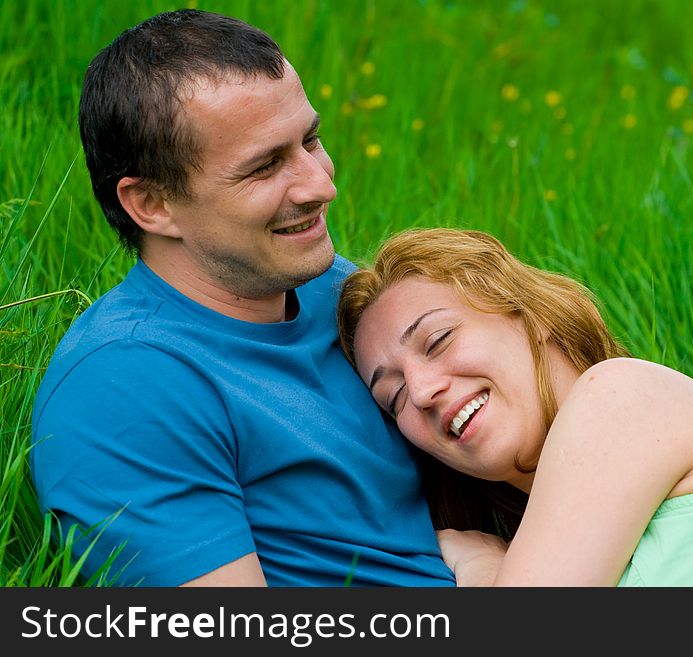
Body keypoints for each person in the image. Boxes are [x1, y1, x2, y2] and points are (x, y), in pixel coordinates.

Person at [29, 9, 455, 587]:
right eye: (264, 167)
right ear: (153, 205)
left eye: (310, 140)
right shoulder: (126, 386)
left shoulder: (346, 296)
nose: (322, 185)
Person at [336, 227, 693, 586]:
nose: (421, 392)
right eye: (394, 397)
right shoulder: (545, 539)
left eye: (438, 339)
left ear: (531, 316)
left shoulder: (620, 396)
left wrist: (486, 570)